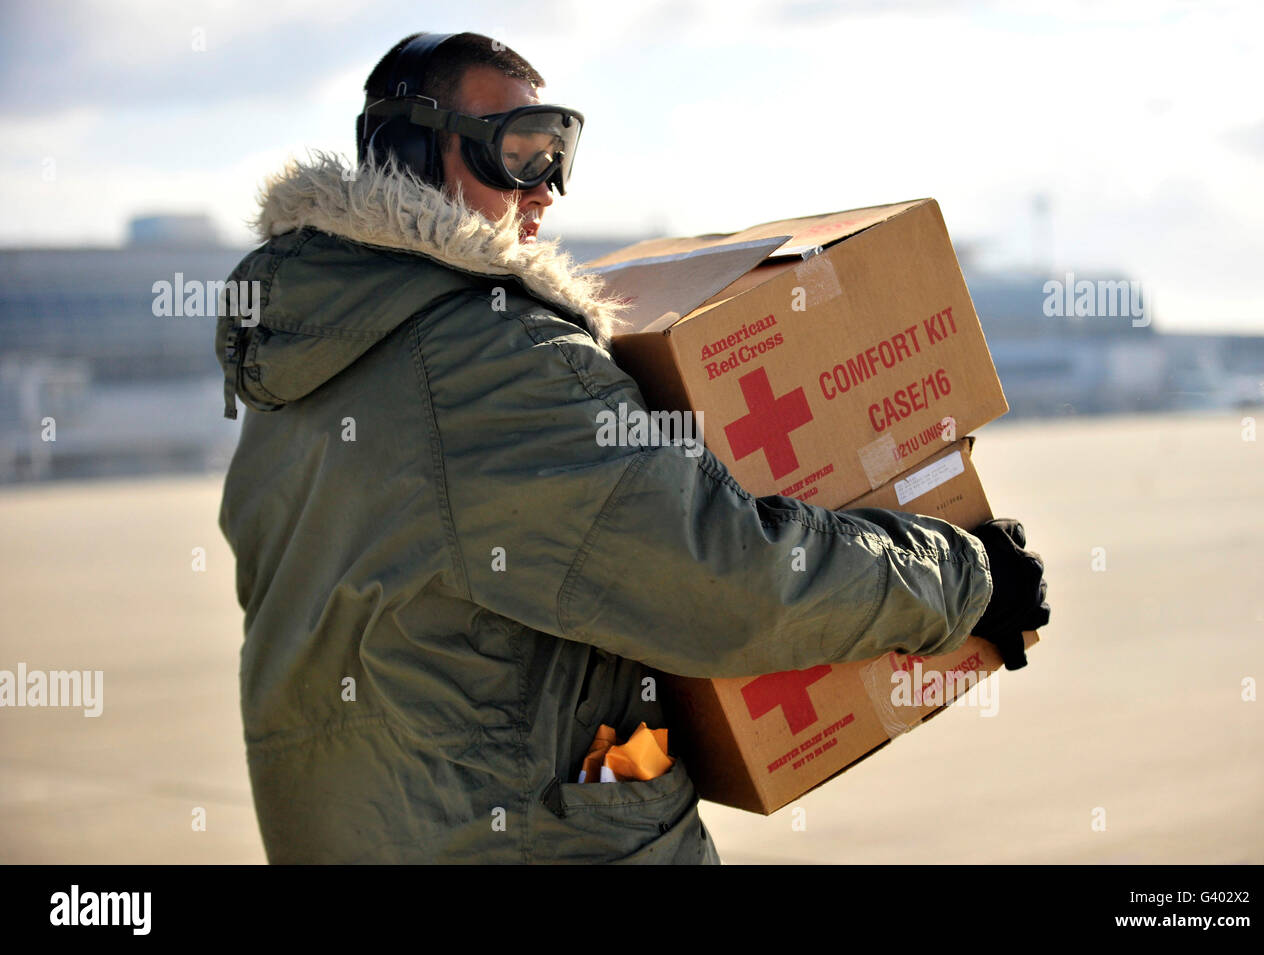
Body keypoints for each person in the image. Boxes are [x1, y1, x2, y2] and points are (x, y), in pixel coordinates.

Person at [215, 31, 1049, 864]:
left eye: (558, 154)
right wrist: (965, 578)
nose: (547, 191)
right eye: (518, 153)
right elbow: (730, 583)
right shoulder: (494, 359)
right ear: (409, 153)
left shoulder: (303, 369)